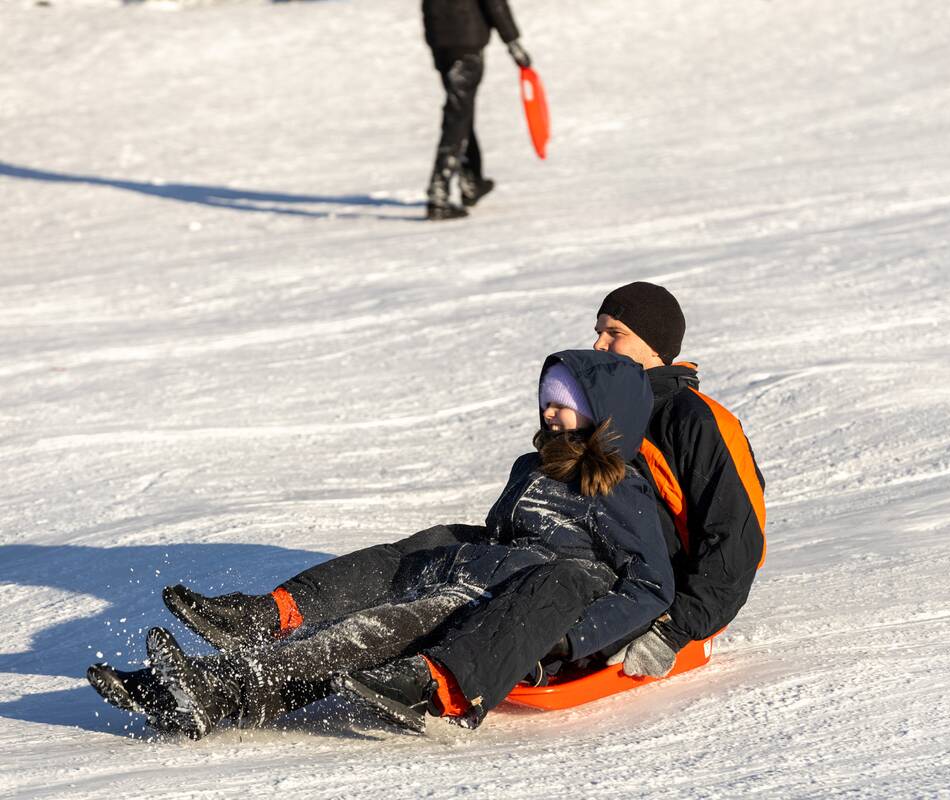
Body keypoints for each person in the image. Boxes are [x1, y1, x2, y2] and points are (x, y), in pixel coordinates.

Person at [145, 281, 766, 727]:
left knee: (453, 608)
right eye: (598, 329)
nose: (601, 342)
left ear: (656, 345)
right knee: (429, 550)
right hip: (541, 558)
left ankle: (415, 672)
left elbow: (737, 541)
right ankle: (263, 627)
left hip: (614, 589)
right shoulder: (582, 404)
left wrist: (674, 628)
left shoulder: (695, 420)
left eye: (617, 333)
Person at [87, 350, 673, 739]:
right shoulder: (533, 465)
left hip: (510, 604)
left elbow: (649, 584)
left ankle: (219, 687)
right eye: (547, 396)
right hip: (479, 574)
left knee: (365, 635)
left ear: (601, 412)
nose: (550, 408)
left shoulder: (618, 486)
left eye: (564, 400)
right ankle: (259, 623)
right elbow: (500, 531)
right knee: (404, 557)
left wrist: (566, 640)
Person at [422, 0, 532, 220]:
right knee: (458, 114)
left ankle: (472, 180)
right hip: (465, 40)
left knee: (461, 111)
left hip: (440, 40)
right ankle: (439, 193)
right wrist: (512, 41)